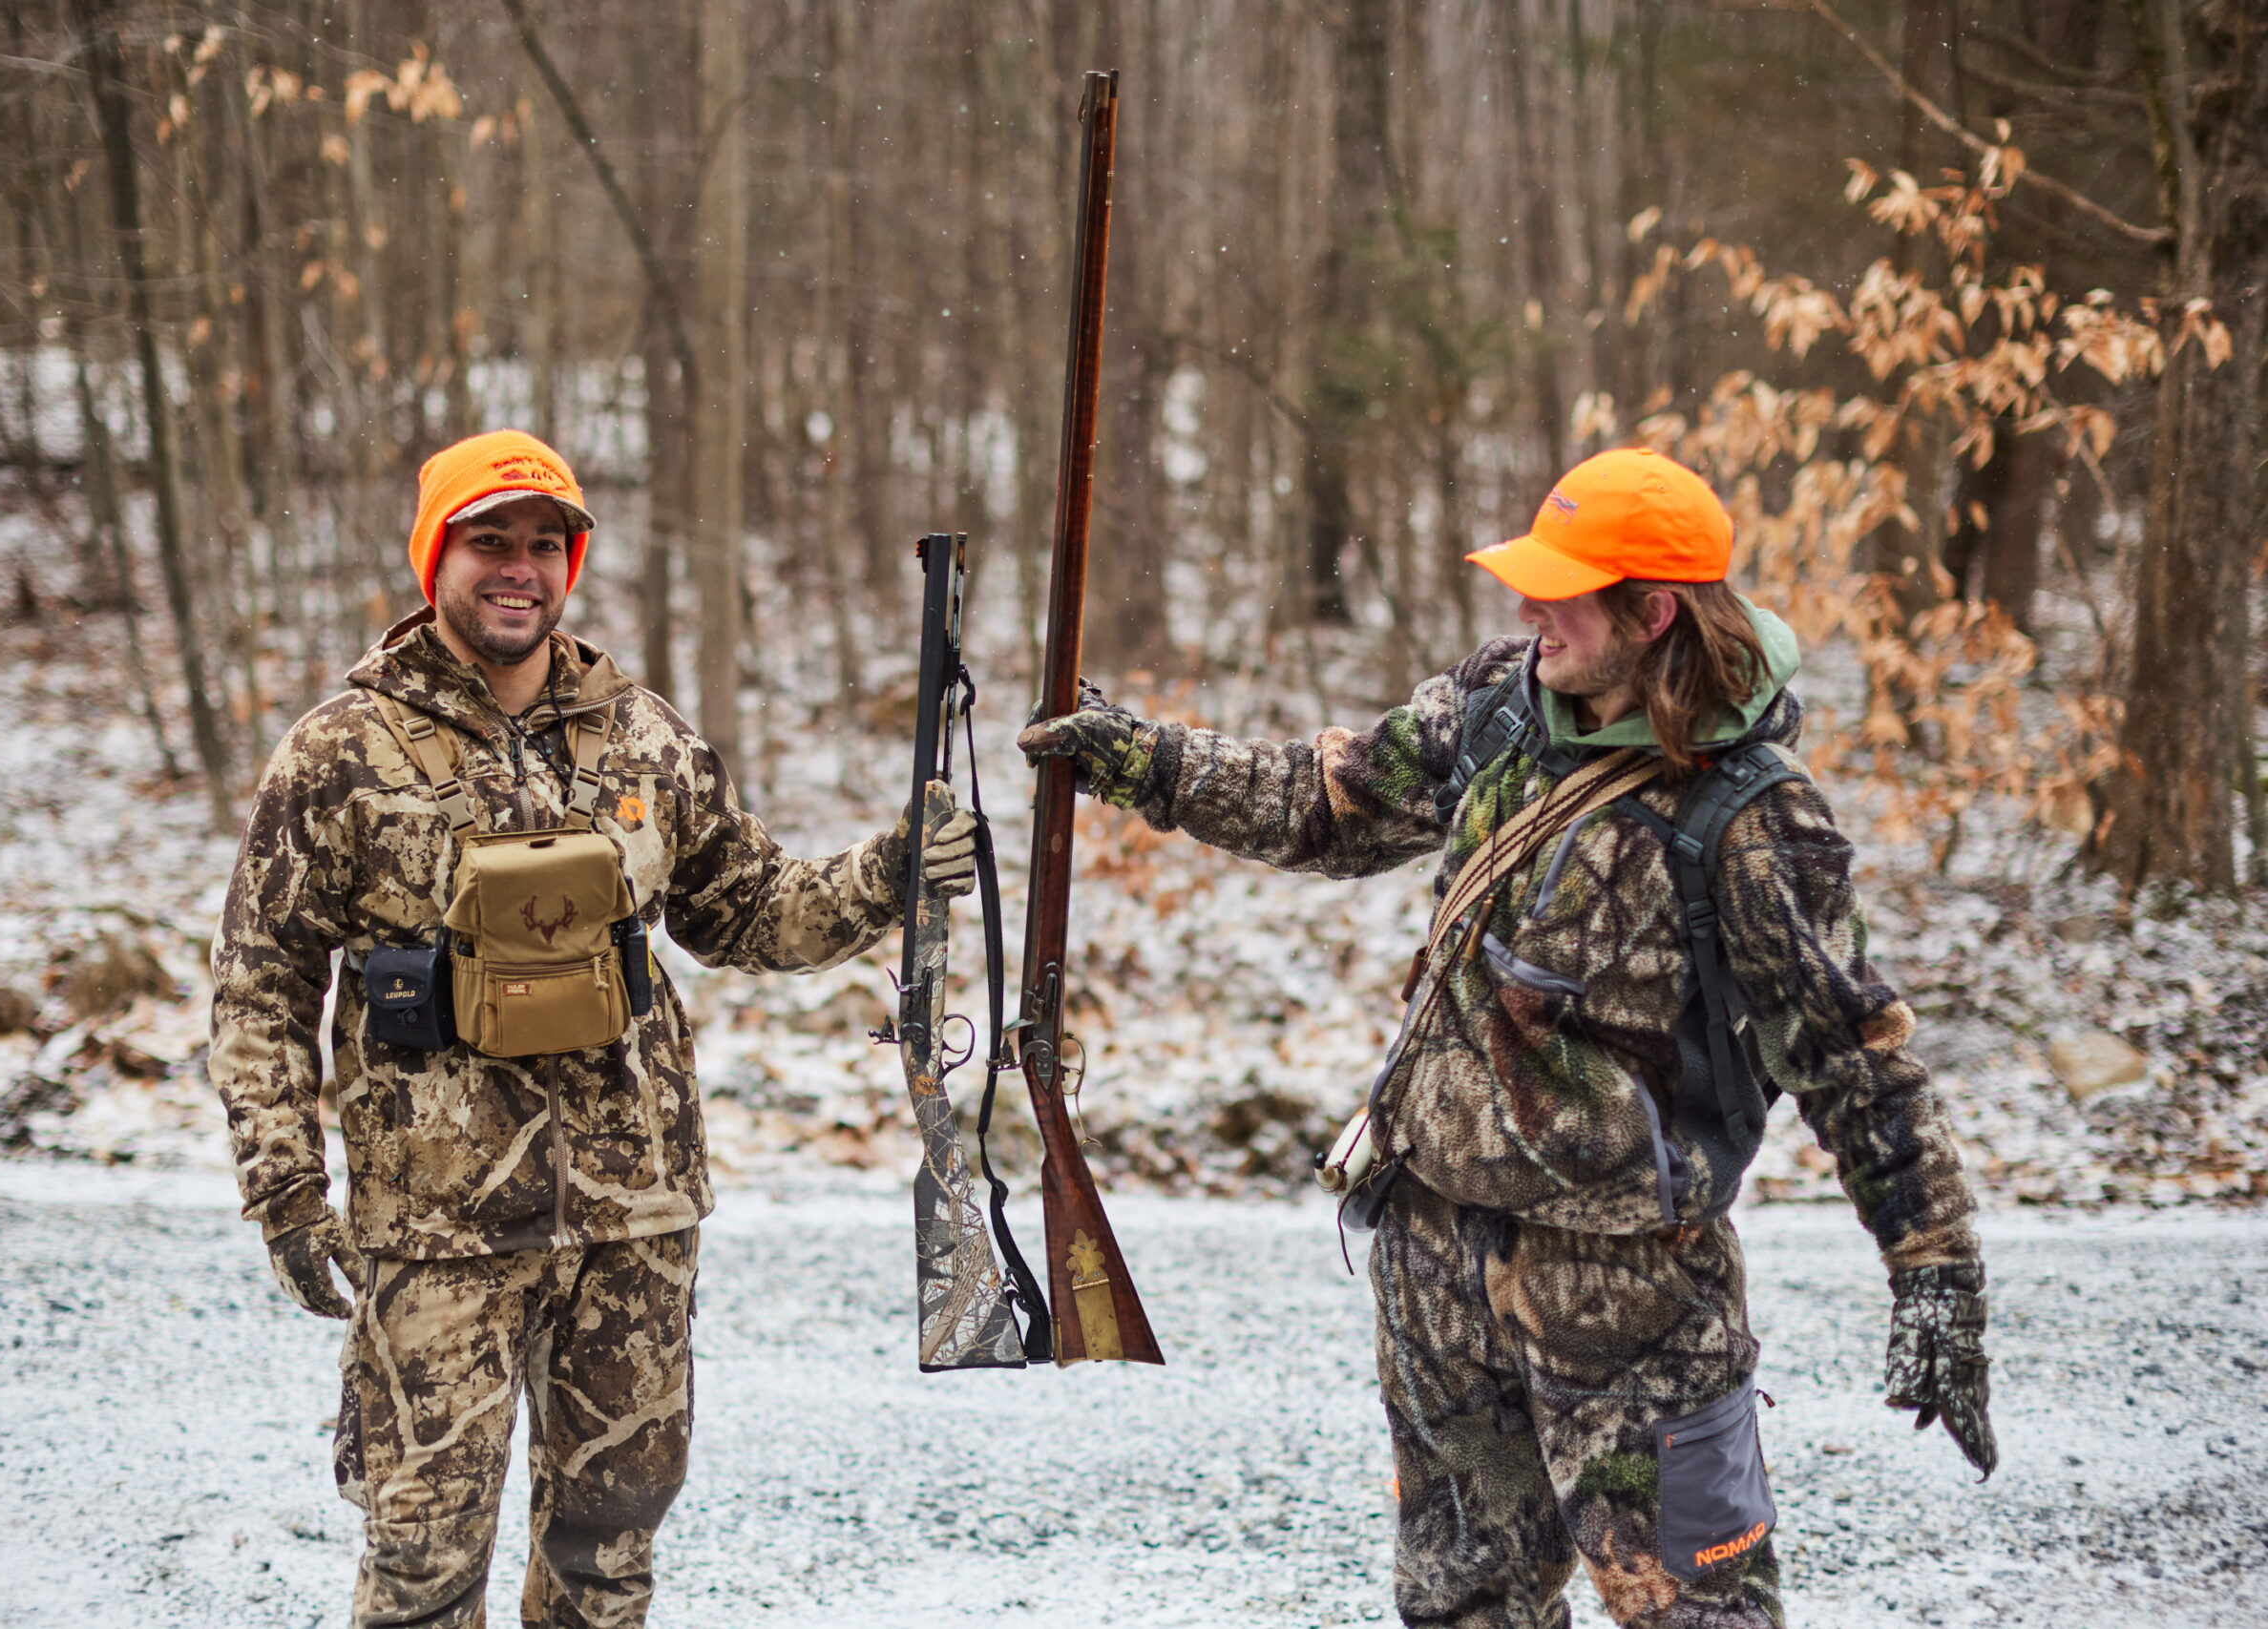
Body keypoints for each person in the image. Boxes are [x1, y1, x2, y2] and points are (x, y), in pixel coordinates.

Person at [1019, 447, 1993, 1629]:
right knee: (1459, 1609)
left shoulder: (1751, 814)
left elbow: (1857, 1062)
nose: (1529, 607)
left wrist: (1933, 1274)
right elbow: (1324, 805)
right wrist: (1145, 761)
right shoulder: (1498, 703)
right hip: (1431, 1257)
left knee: (1700, 1615)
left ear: (1653, 612)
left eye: (1561, 587)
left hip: (1631, 1300)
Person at [210, 428, 975, 1628]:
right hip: (435, 1227)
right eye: (489, 542)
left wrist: (892, 872)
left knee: (608, 1562)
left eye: (544, 546)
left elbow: (749, 913)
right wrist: (287, 1194)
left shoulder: (645, 736)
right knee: (421, 1563)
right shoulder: (338, 753)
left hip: (634, 1217)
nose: (519, 568)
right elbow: (260, 983)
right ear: (435, 558)